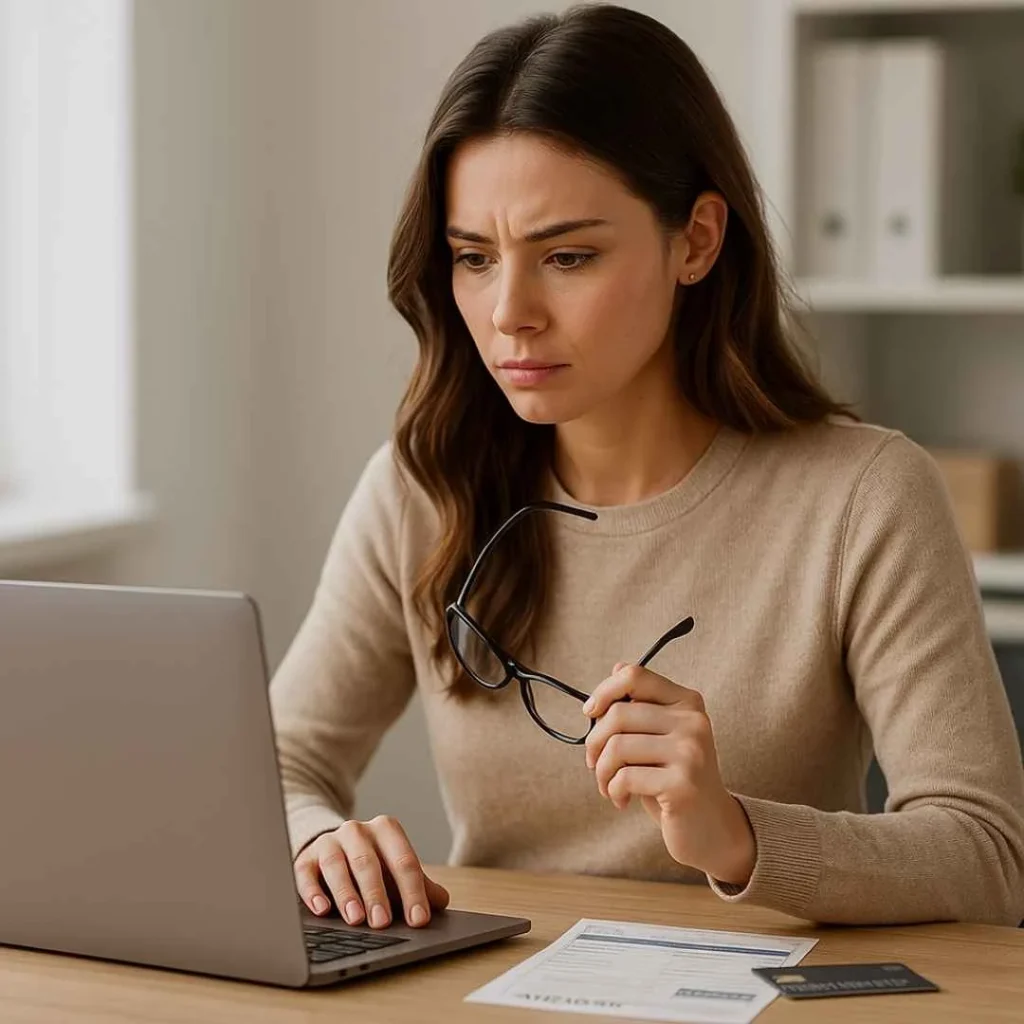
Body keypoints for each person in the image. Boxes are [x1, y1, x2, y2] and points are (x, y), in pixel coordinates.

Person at [269, 2, 1024, 933]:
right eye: (473, 257)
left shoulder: (864, 497)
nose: (510, 312)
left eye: (569, 256)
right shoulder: (421, 487)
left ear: (697, 241)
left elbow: (986, 855)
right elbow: (278, 761)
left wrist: (737, 834)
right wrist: (313, 838)